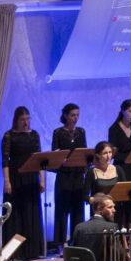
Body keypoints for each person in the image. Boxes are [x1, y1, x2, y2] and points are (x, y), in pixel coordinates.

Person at [0, 106, 44, 259]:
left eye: (28, 119)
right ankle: (13, 253)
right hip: (15, 178)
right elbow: (5, 160)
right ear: (16, 120)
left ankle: (31, 252)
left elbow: (40, 159)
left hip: (31, 179)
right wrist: (7, 181)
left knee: (30, 214)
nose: (26, 122)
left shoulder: (34, 135)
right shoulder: (9, 135)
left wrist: (42, 179)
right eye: (22, 119)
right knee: (15, 215)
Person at [50, 102, 88, 249]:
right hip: (64, 175)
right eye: (72, 115)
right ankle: (61, 242)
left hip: (78, 175)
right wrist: (62, 159)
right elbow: (55, 152)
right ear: (65, 116)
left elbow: (84, 151)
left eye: (77, 115)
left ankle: (76, 241)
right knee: (62, 209)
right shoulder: (58, 132)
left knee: (77, 209)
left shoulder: (81, 131)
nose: (75, 118)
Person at [71, 194, 121, 261]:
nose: (114, 210)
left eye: (114, 207)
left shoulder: (79, 227)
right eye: (110, 207)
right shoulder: (112, 227)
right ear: (99, 209)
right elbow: (119, 255)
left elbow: (73, 255)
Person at [107, 98, 131, 168]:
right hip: (120, 166)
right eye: (130, 111)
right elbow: (113, 153)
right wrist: (129, 160)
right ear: (123, 111)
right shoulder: (114, 129)